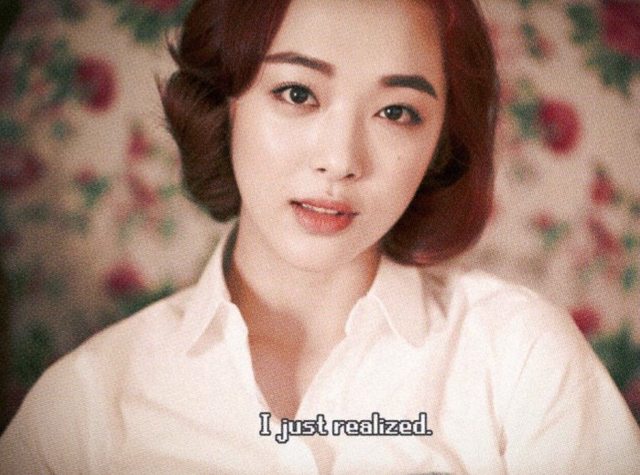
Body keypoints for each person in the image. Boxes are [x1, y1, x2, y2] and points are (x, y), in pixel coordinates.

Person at [1, 0, 639, 473]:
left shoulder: (521, 359)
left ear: (440, 143)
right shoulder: (84, 407)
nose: (341, 160)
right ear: (225, 102)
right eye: (297, 93)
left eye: (397, 112)